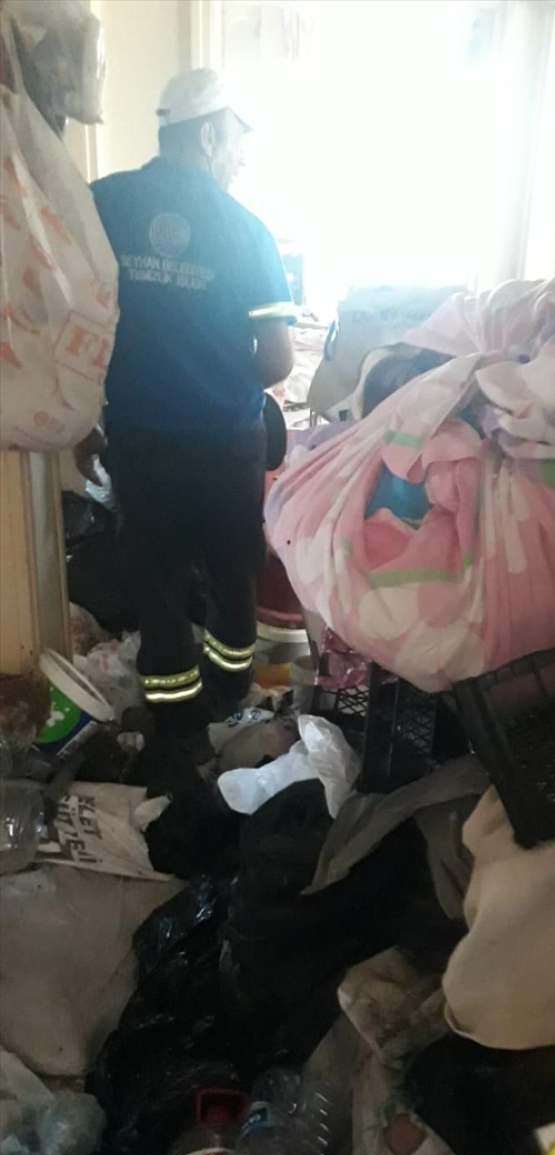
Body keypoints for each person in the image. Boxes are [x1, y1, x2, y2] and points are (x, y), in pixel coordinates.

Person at [78, 68, 295, 750]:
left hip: (138, 438)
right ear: (207, 136)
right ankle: (229, 694)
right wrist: (217, 375)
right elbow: (278, 361)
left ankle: (175, 722)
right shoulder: (246, 229)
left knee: (158, 581)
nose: (239, 156)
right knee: (234, 572)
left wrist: (89, 414)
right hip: (226, 441)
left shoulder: (101, 204)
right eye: (235, 140)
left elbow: (74, 326)